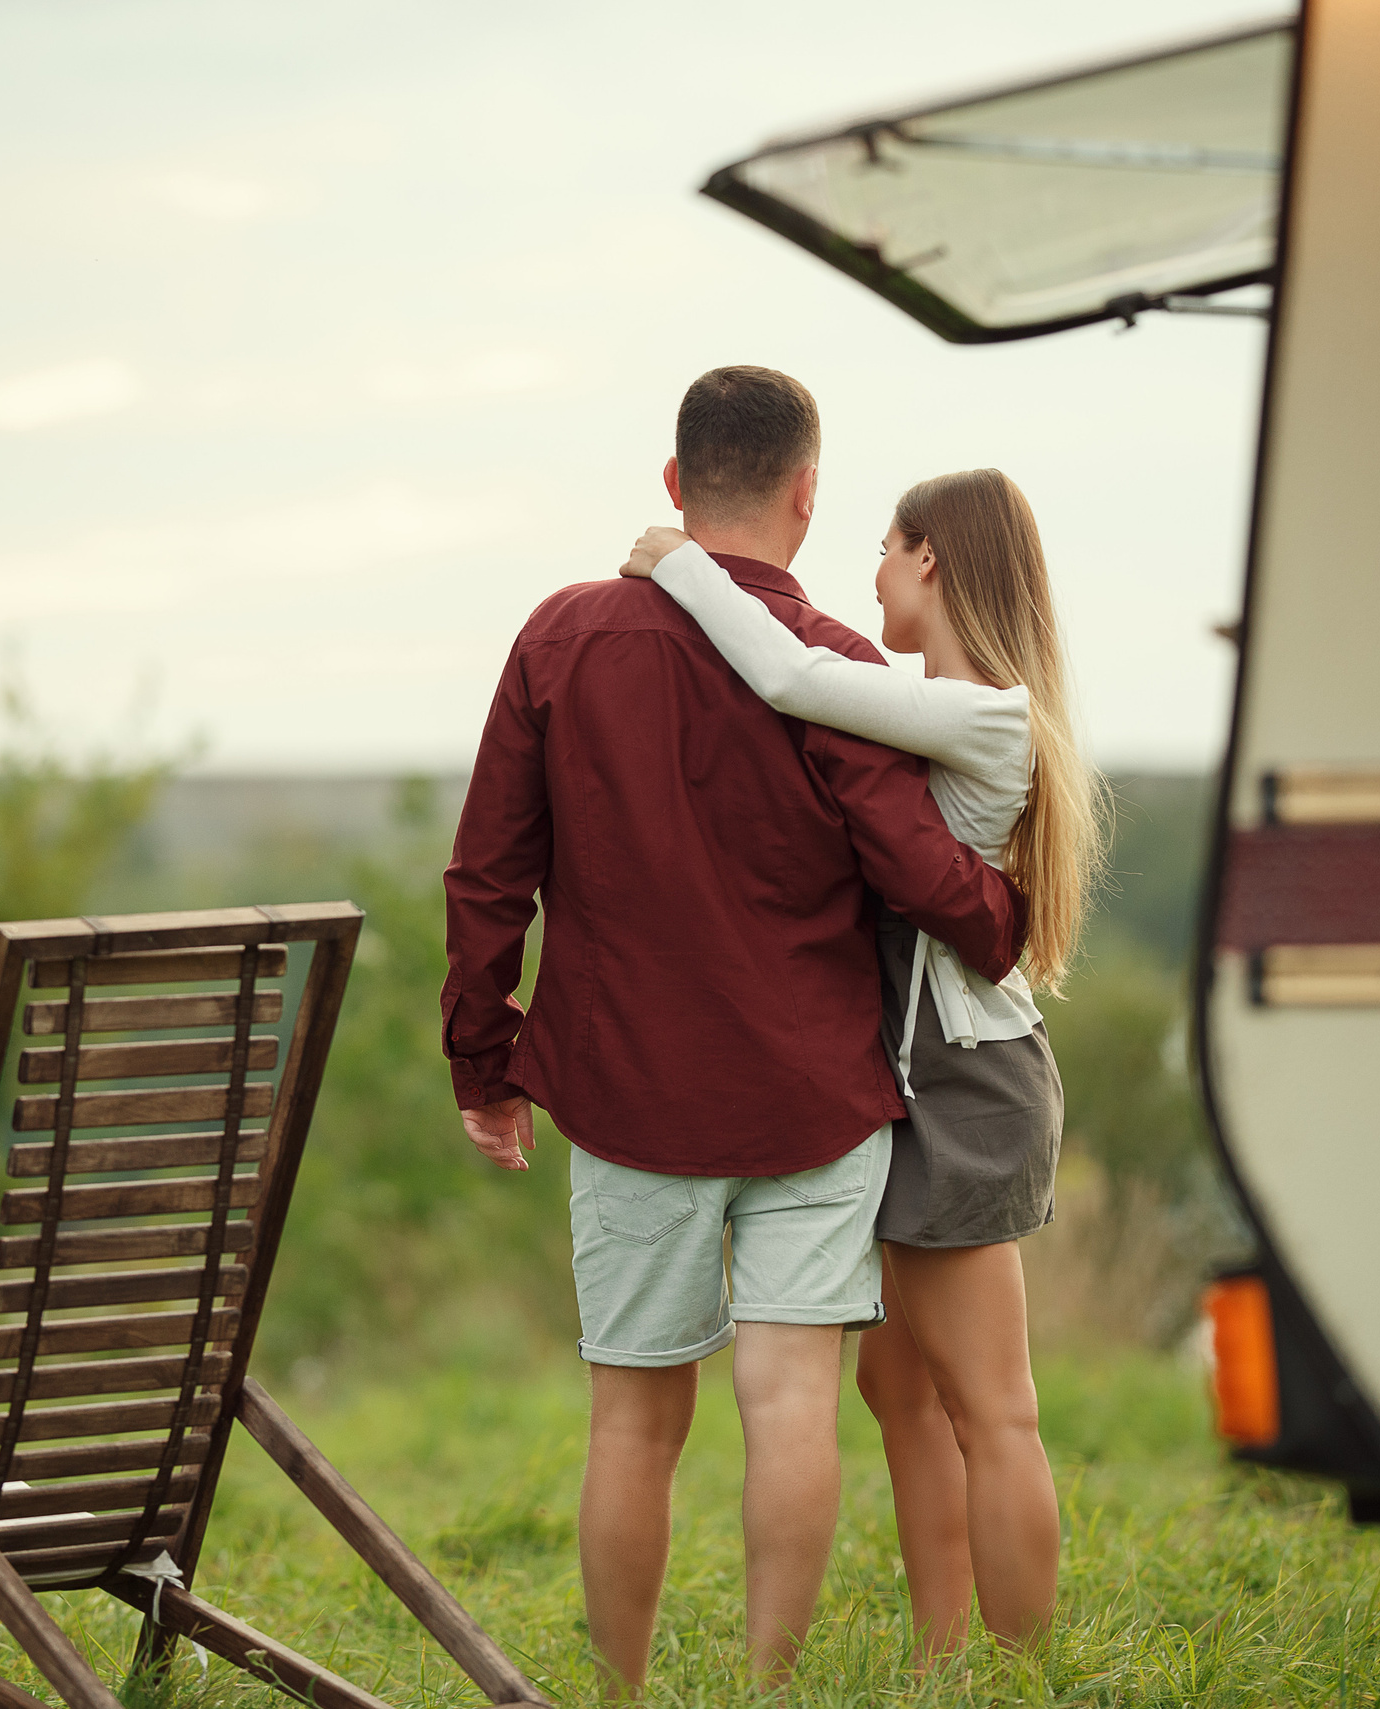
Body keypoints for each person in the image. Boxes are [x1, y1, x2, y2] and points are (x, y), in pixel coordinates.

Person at [441, 367, 1028, 1696]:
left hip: (628, 1090)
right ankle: (769, 1688)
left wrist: (486, 1062)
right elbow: (911, 866)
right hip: (815, 1097)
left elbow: (489, 873)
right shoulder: (836, 669)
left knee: (633, 1425)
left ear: (673, 486)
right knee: (793, 1406)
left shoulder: (559, 636)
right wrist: (1007, 916)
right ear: (807, 497)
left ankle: (624, 1694)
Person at [617, 466, 1101, 1667]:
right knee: (903, 1396)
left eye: (887, 548)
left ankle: (1021, 1674)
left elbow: (790, 677)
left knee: (992, 1407)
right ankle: (945, 1659)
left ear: (932, 560)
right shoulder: (939, 701)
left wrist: (675, 560)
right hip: (912, 1074)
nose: (871, 570)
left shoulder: (982, 711)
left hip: (960, 1083)